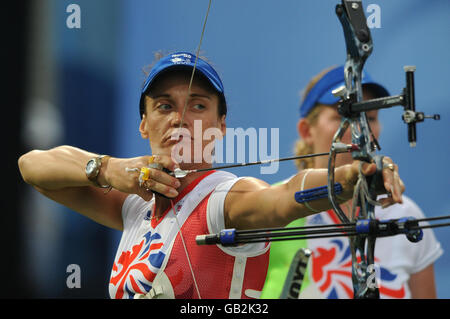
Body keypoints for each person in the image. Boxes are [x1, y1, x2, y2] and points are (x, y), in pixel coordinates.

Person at [18, 53, 405, 299]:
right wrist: (107, 169)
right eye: (164, 105)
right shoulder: (134, 206)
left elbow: (284, 196)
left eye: (198, 105)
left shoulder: (226, 198)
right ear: (143, 124)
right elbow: (33, 167)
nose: (179, 119)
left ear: (221, 125)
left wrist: (357, 176)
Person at [261, 65, 443, 299]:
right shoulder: (272, 207)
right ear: (307, 131)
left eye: (371, 117)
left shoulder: (406, 213)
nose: (361, 131)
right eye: (346, 116)